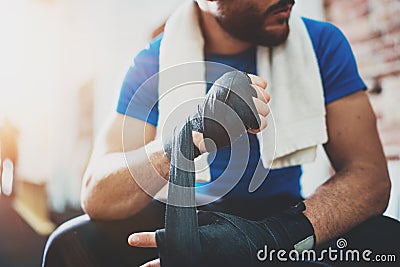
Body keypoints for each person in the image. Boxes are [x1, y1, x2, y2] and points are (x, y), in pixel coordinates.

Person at [43, 0, 400, 266]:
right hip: (186, 214)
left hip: (281, 219)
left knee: (388, 243)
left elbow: (370, 178)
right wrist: (189, 135)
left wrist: (270, 238)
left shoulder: (322, 44)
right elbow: (96, 194)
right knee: (69, 244)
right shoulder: (153, 62)